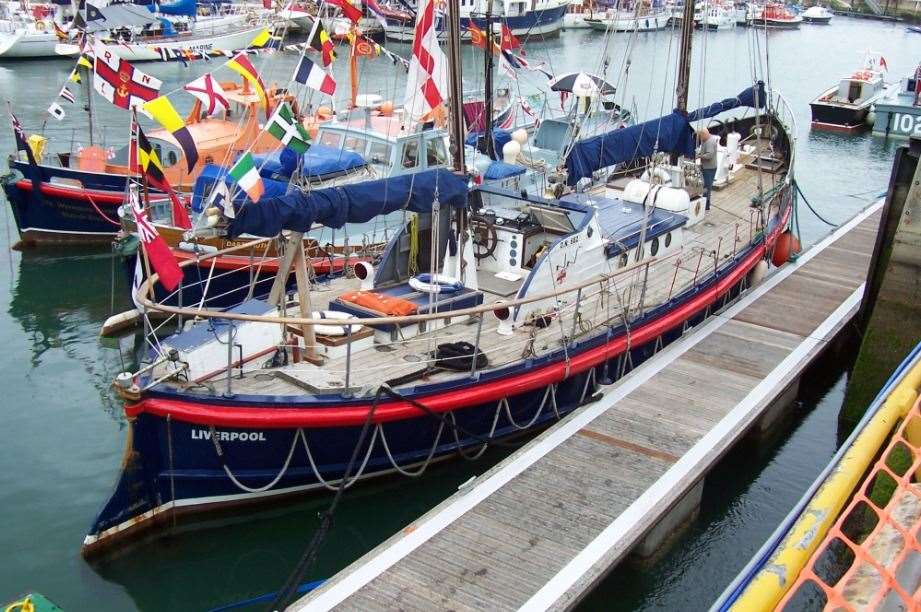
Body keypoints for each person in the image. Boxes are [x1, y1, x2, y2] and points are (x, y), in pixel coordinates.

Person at [697, 127, 718, 211]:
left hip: (709, 168)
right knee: (705, 186)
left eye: (701, 136)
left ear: (704, 134)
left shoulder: (710, 142)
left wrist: (699, 156)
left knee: (707, 187)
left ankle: (706, 206)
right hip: (705, 166)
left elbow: (709, 155)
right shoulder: (705, 140)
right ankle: (705, 204)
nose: (700, 138)